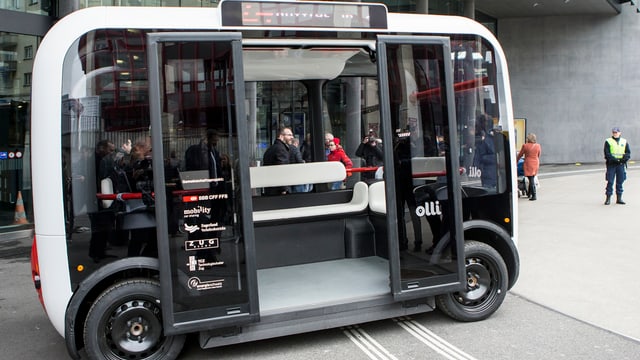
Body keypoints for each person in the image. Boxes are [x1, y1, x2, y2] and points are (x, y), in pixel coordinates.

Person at [603, 127, 631, 205]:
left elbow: (628, 153)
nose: (615, 134)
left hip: (621, 165)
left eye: (616, 132)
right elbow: (607, 153)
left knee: (620, 181)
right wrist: (615, 160)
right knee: (610, 181)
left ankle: (619, 198)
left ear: (620, 133)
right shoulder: (608, 141)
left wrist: (622, 160)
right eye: (614, 132)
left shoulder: (624, 141)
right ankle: (608, 198)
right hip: (611, 164)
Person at [262, 127, 294, 195]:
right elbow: (282, 170)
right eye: (289, 135)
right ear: (281, 136)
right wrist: (284, 189)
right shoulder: (281, 149)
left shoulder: (271, 148)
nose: (292, 137)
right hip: (278, 191)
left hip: (270, 188)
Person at [516, 133, 542, 201]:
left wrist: (516, 161)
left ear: (528, 139)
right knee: (532, 178)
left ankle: (534, 195)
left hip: (528, 163)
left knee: (531, 179)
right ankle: (529, 193)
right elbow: (539, 154)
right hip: (536, 162)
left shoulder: (525, 146)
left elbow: (520, 155)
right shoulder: (538, 146)